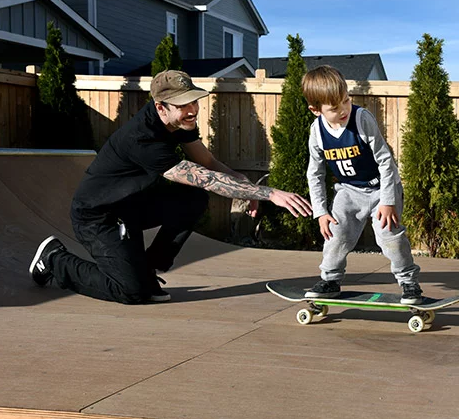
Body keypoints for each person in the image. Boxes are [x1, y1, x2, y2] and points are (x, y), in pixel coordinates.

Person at [29, 70, 313, 304]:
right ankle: (55, 260)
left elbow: (208, 162)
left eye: (194, 103)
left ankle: (150, 267)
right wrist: (268, 193)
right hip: (97, 216)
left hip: (131, 206)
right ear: (160, 106)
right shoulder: (142, 139)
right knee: (131, 292)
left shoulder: (179, 124)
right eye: (183, 106)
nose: (192, 112)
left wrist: (245, 185)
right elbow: (202, 176)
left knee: (192, 199)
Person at [303, 65, 422, 304]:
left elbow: (385, 161)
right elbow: (314, 173)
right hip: (349, 191)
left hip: (381, 188)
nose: (343, 109)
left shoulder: (361, 119)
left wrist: (388, 201)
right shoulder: (317, 132)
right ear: (316, 110)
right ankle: (330, 281)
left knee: (389, 236)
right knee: (335, 233)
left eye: (346, 101)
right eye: (335, 108)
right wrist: (321, 212)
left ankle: (408, 282)